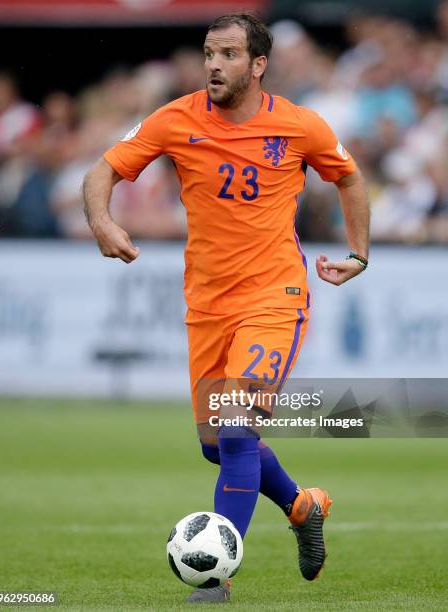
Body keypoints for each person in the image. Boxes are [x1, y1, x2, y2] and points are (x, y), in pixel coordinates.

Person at [83, 13, 370, 604]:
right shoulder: (176, 118)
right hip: (207, 305)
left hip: (274, 297)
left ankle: (216, 575)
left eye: (229, 54)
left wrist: (358, 254)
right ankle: (301, 505)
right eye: (209, 52)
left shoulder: (298, 125)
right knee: (215, 446)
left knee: (237, 429)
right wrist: (103, 220)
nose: (214, 64)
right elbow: (103, 169)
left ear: (258, 64)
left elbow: (349, 177)